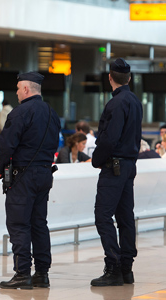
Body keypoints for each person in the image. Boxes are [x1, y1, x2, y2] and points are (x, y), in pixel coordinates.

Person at [0, 71, 61, 289]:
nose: (16, 93)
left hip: (23, 175)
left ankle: (22, 273)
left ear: (26, 89)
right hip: (45, 173)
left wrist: (1, 168)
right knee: (39, 223)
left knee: (19, 224)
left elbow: (6, 145)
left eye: (17, 89)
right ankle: (42, 273)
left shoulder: (20, 112)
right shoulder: (52, 113)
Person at [90, 58, 143, 287]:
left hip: (114, 167)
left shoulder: (115, 104)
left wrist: (96, 160)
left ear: (110, 77)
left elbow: (109, 139)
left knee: (103, 216)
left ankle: (113, 267)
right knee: (125, 217)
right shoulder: (135, 101)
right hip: (129, 166)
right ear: (129, 78)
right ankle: (126, 269)